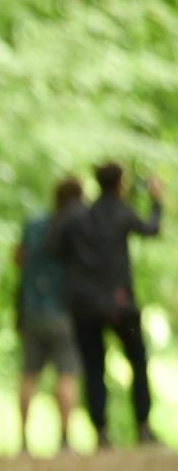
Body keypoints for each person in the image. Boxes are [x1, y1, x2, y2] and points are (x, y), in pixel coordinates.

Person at [51, 161, 165, 449]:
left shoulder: (81, 216)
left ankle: (100, 432)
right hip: (120, 303)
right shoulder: (122, 213)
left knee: (93, 367)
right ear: (120, 183)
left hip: (86, 306)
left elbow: (55, 249)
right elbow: (152, 229)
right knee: (138, 363)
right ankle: (143, 428)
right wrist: (156, 200)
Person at [15, 177, 84, 456]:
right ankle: (65, 439)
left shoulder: (33, 225)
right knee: (66, 373)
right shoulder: (72, 229)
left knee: (29, 373)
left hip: (31, 309)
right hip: (61, 311)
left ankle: (22, 441)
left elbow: (18, 258)